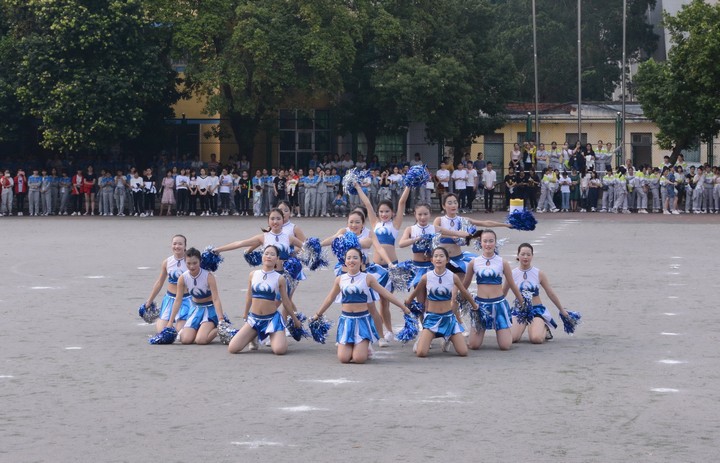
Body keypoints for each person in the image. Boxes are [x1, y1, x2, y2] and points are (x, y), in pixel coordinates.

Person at [312, 247, 411, 364]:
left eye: (355, 258)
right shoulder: (340, 279)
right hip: (346, 321)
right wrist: (318, 314)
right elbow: (330, 298)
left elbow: (385, 293)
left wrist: (403, 307)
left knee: (359, 359)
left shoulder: (367, 278)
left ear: (361, 261)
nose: (351, 260)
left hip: (362, 321)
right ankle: (356, 346)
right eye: (348, 258)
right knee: (343, 358)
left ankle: (364, 345)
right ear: (345, 261)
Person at [356, 184, 410, 343]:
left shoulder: (395, 224)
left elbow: (401, 202)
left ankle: (389, 330)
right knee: (372, 301)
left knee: (385, 301)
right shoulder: (375, 224)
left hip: (390, 267)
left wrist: (408, 184)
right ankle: (378, 330)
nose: (384, 214)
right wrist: (357, 186)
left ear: (392, 213)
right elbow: (367, 203)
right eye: (381, 211)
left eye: (387, 211)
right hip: (375, 269)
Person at [227, 245, 302, 355]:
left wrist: (295, 320)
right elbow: (249, 296)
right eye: (266, 253)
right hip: (254, 319)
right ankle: (254, 335)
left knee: (279, 350)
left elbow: (286, 301)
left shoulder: (280, 278)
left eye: (272, 254)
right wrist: (245, 313)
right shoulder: (253, 274)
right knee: (233, 348)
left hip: (272, 319)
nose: (269, 256)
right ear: (262, 256)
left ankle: (277, 335)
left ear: (277, 259)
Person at [405, 247, 477, 357]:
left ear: (447, 260)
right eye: (436, 256)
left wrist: (475, 306)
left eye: (441, 256)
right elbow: (415, 292)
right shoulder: (426, 277)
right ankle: (427, 336)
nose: (438, 258)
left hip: (449, 319)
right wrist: (408, 303)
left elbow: (464, 291)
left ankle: (448, 337)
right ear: (432, 260)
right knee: (421, 353)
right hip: (432, 318)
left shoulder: (453, 277)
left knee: (463, 352)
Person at [462, 229, 524, 351]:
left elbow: (512, 284)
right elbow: (465, 285)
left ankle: (510, 331)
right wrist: (455, 300)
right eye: (485, 241)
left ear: (495, 242)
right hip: (480, 307)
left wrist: (522, 303)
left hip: (499, 305)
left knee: (505, 346)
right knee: (474, 345)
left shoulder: (502, 262)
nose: (488, 244)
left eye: (491, 241)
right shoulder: (474, 262)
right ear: (480, 242)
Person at [433, 193, 510, 277]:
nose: (453, 205)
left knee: (460, 284)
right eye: (450, 203)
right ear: (444, 206)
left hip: (458, 259)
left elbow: (485, 223)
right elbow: (435, 231)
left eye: (455, 202)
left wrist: (505, 225)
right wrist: (456, 234)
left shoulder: (463, 220)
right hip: (442, 261)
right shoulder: (439, 220)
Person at [507, 244, 572, 344]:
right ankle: (525, 326)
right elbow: (502, 293)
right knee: (511, 338)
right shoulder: (512, 274)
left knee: (536, 339)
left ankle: (544, 327)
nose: (525, 257)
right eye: (523, 254)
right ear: (518, 255)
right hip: (519, 310)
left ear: (532, 256)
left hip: (536, 309)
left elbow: (550, 293)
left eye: (528, 254)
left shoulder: (538, 273)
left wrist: (562, 310)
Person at [166, 247, 225, 345]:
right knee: (185, 340)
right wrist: (170, 322)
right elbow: (178, 300)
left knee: (200, 340)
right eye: (188, 263)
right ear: (185, 262)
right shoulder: (183, 278)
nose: (192, 266)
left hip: (209, 310)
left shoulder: (208, 276)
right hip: (195, 309)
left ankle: (219, 329)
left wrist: (221, 319)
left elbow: (215, 299)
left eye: (195, 263)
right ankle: (201, 329)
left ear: (200, 261)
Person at [145, 235, 192, 333]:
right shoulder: (167, 262)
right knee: (162, 331)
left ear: (185, 246)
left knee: (180, 332)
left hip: (186, 300)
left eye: (180, 244)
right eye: (174, 244)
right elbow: (159, 282)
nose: (177, 246)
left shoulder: (190, 261)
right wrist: (149, 301)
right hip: (169, 299)